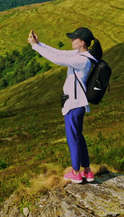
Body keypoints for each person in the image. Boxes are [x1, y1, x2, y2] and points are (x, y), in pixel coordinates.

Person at [28, 27, 103, 183]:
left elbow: (58, 60)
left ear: (82, 42)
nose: (71, 40)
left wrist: (35, 47)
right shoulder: (82, 55)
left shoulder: (82, 60)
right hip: (77, 103)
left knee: (73, 139)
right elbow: (59, 53)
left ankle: (76, 173)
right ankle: (87, 171)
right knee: (79, 137)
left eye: (74, 38)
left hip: (74, 104)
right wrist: (39, 43)